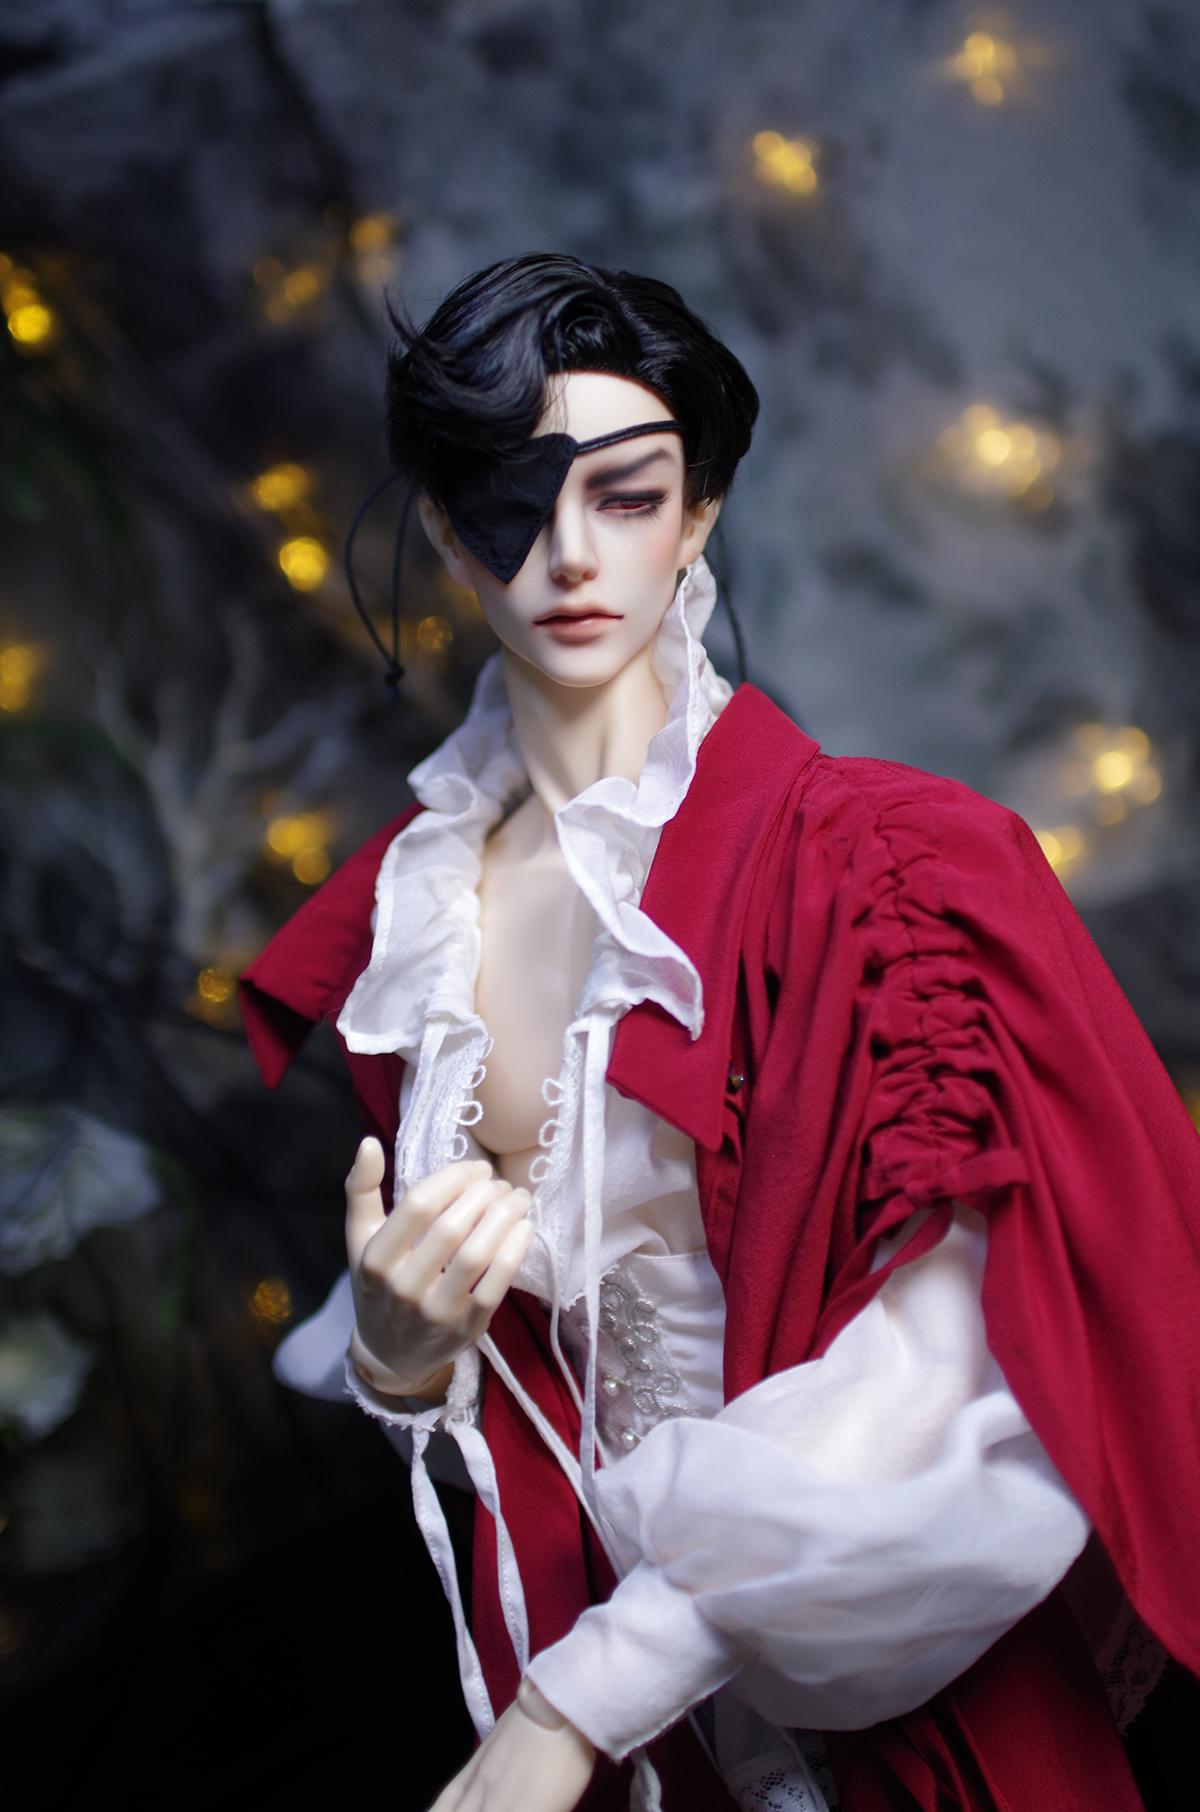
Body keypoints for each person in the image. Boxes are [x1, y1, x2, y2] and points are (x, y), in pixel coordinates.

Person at [240, 255, 1200, 1812]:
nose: (569, 554)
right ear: (445, 533)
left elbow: (962, 1370)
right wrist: (400, 1361)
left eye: (625, 495)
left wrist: (576, 1702)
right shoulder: (415, 919)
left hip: (878, 1704)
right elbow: (543, 1358)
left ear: (697, 513)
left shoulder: (884, 875)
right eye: (510, 503)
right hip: (618, 1736)